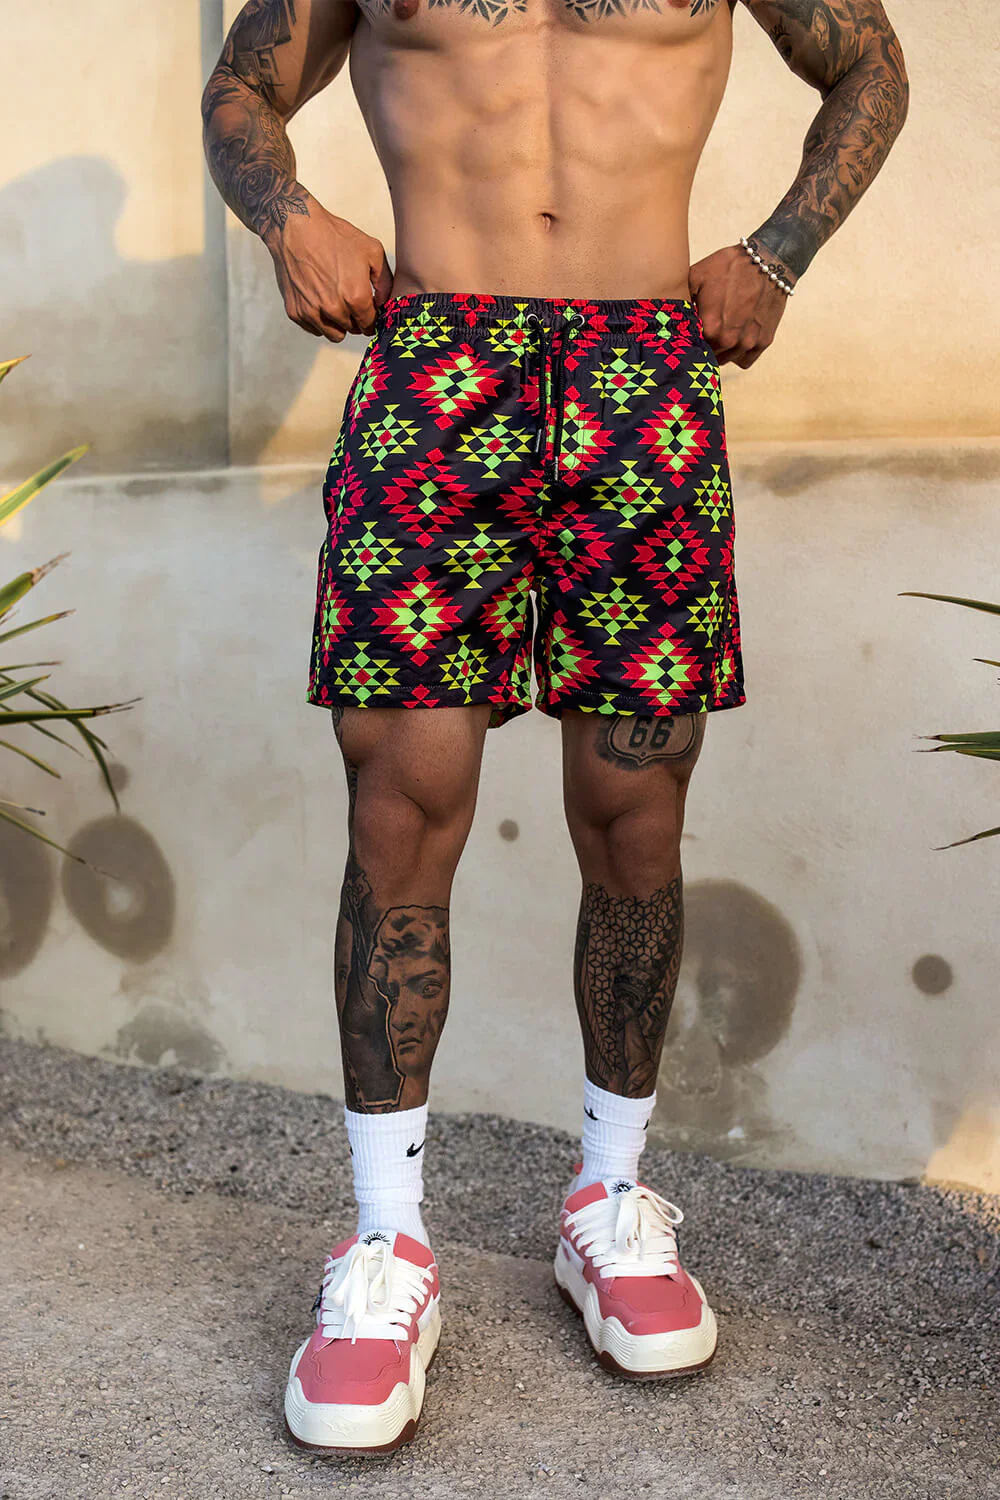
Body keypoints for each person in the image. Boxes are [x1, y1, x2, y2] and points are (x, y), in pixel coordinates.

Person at [203, 0, 907, 1455]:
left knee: (634, 810)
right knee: (401, 801)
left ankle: (611, 1200)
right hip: (435, 367)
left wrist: (777, 253)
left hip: (644, 373)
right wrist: (292, 221)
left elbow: (871, 65)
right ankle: (386, 1245)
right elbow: (239, 91)